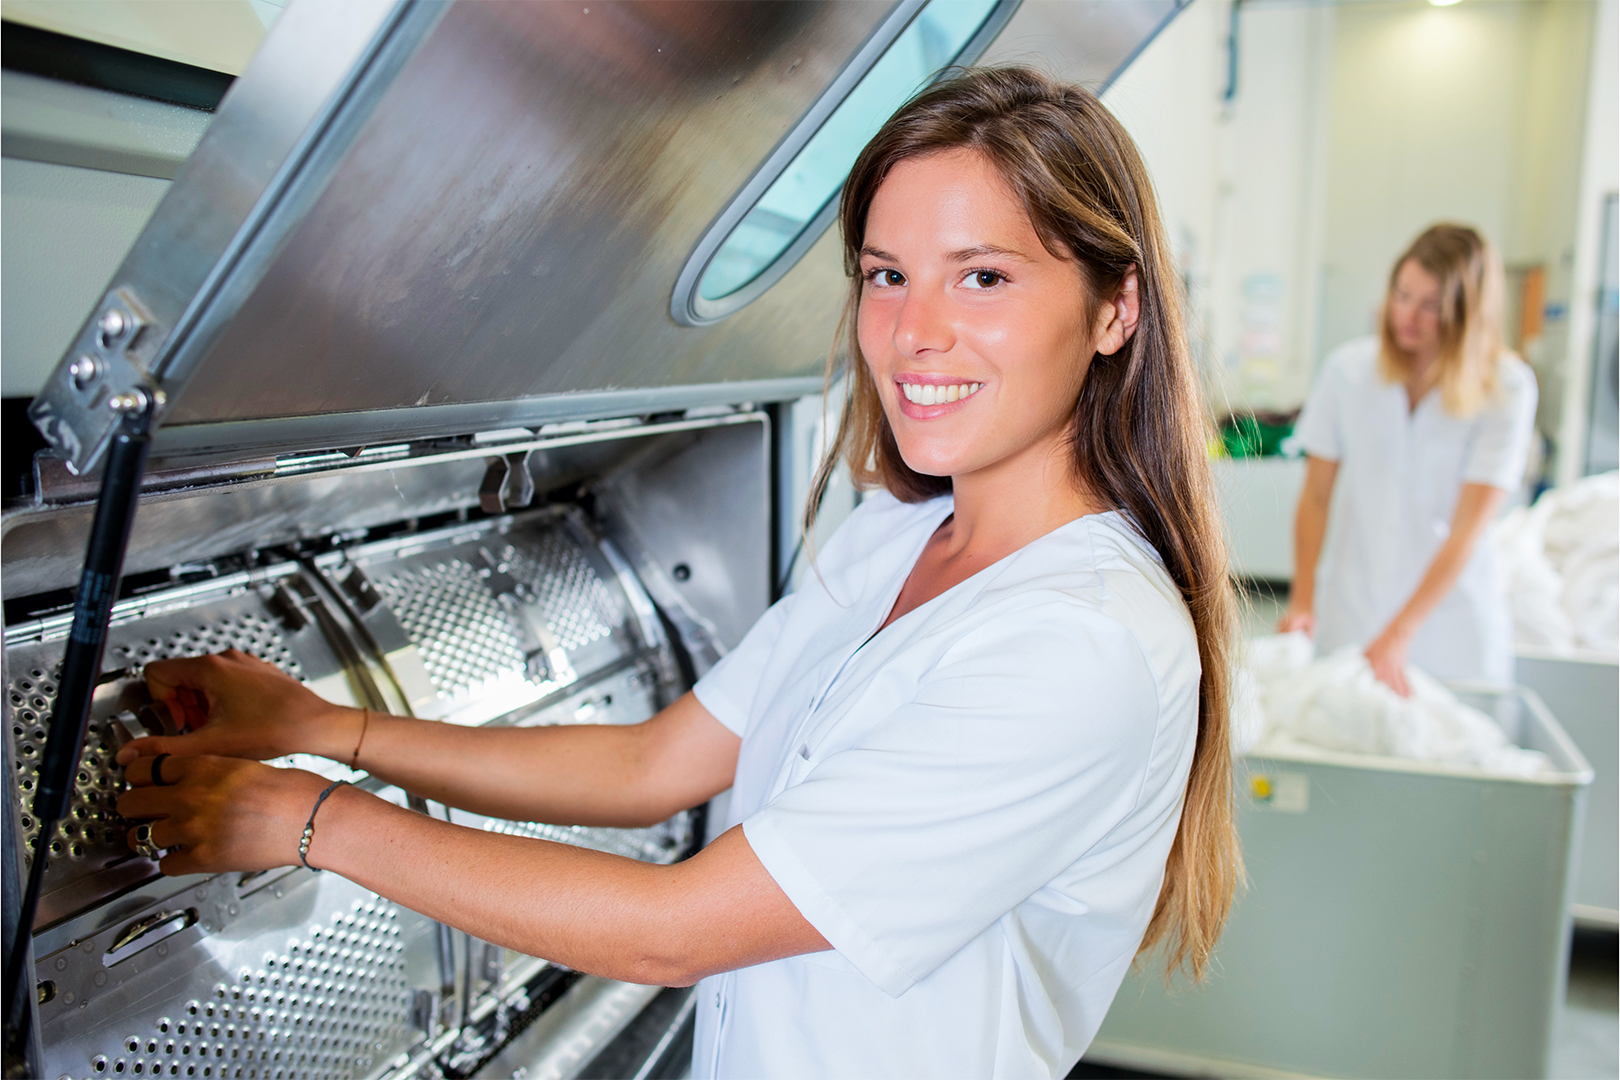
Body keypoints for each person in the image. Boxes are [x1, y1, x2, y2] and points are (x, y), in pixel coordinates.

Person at [114, 67, 1240, 1078]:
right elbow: (654, 763)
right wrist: (324, 728)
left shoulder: (1079, 643)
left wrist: (310, 821)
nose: (914, 333)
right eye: (888, 276)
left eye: (982, 278)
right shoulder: (900, 536)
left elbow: (677, 928)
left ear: (1115, 309)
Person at [1279, 224, 1537, 692]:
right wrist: (1302, 598)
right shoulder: (1348, 372)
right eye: (1401, 295)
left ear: (1467, 314)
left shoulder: (1506, 388)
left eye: (1430, 306)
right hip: (1352, 608)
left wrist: (1400, 632)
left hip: (1450, 628)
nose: (1407, 315)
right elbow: (1316, 496)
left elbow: (1468, 528)